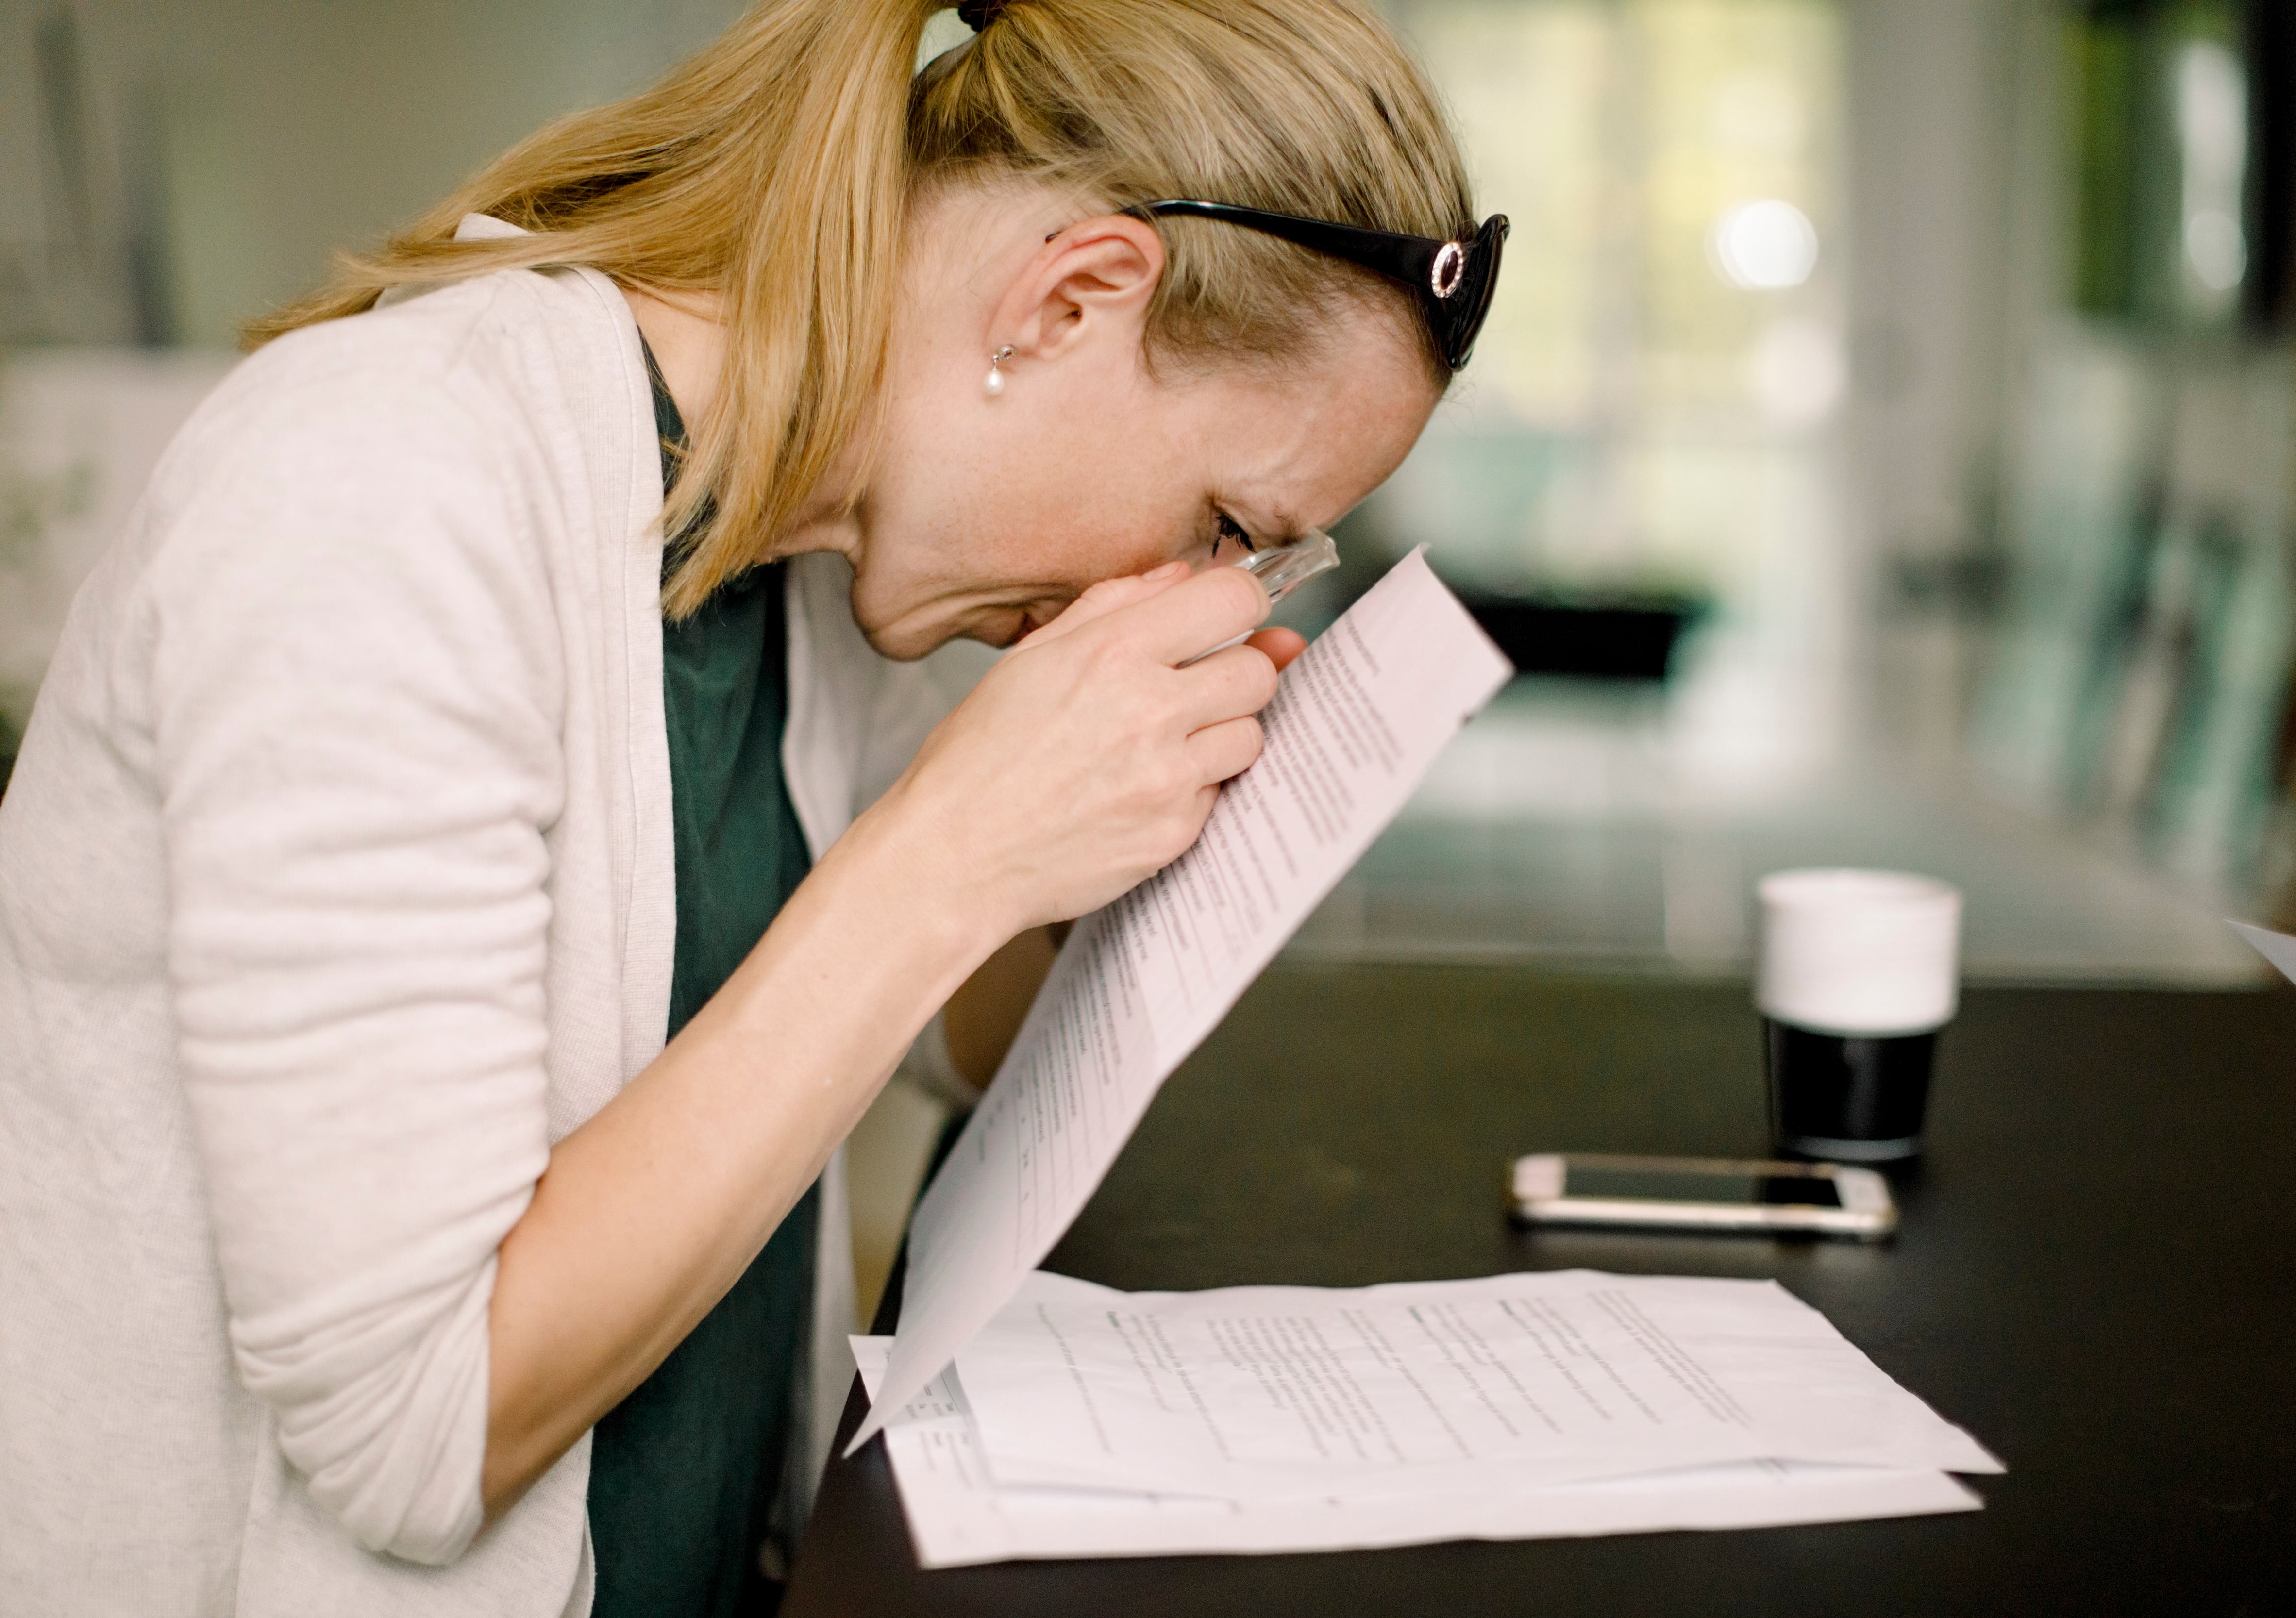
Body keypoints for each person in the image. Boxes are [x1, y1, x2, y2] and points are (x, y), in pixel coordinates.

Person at [0, 0, 1499, 1613]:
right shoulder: (383, 488)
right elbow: (415, 1429)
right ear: (1069, 301)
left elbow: (922, 1029)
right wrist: (958, 845)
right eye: (1222, 522)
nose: (1203, 589)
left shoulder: (814, 535)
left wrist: (1136, 850)